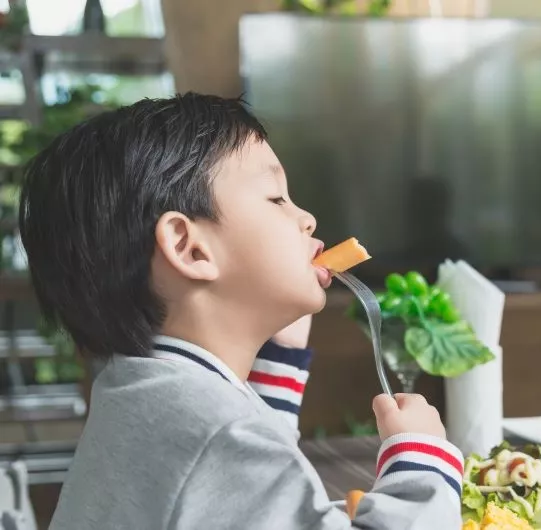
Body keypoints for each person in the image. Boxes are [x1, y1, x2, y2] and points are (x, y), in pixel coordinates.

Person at [18, 93, 464, 529]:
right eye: (276, 199)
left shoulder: (138, 393)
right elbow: (235, 456)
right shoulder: (220, 436)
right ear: (189, 247)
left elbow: (242, 502)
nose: (306, 218)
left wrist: (279, 368)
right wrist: (421, 461)